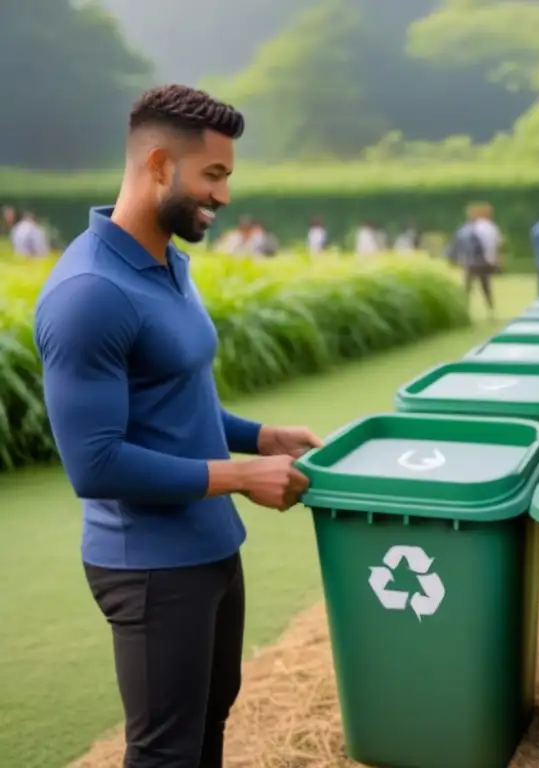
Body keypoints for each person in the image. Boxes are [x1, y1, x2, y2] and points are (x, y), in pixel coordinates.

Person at [32, 84, 321, 768]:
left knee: (208, 725)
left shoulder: (166, 263)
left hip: (210, 545)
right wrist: (242, 476)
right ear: (160, 164)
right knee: (166, 752)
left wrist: (260, 437)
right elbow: (96, 464)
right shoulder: (89, 294)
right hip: (151, 570)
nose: (223, 195)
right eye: (213, 175)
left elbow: (174, 400)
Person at [451, 204, 495, 318]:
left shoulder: (463, 230)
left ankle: (464, 310)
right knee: (485, 288)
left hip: (468, 263)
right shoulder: (482, 229)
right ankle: (490, 310)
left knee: (467, 288)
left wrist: (454, 259)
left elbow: (456, 246)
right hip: (480, 262)